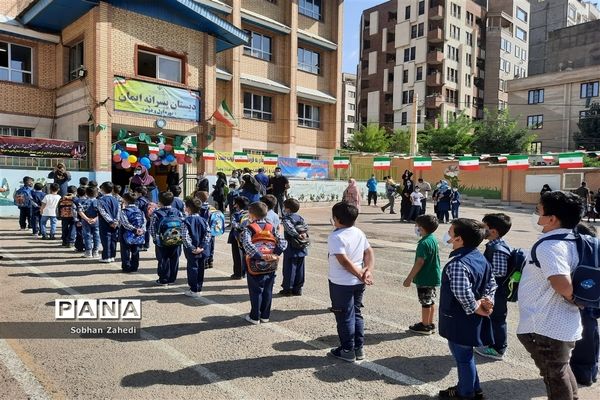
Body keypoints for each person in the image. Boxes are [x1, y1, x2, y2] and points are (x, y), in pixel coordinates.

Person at [517, 191, 584, 400]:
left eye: (539, 210)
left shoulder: (550, 246)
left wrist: (576, 300)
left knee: (554, 373)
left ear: (552, 219)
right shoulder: (573, 240)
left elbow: (563, 284)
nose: (536, 214)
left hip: (547, 325)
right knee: (561, 369)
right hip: (561, 323)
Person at [438, 218, 496, 400]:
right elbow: (491, 283)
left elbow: (462, 292)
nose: (447, 235)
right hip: (471, 318)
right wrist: (487, 301)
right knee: (466, 357)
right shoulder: (480, 257)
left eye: (450, 232)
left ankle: (465, 393)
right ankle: (473, 387)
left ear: (459, 239)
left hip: (459, 319)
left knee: (463, 357)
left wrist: (476, 307)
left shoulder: (457, 264)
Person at [327, 202, 375, 362]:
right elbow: (369, 252)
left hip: (341, 283)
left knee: (344, 316)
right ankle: (358, 348)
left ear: (337, 219)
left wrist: (362, 273)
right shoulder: (358, 232)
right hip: (358, 282)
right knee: (356, 313)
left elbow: (344, 261)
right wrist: (367, 271)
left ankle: (347, 349)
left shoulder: (336, 236)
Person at [240, 201, 287, 324]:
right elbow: (282, 242)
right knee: (268, 290)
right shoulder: (271, 227)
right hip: (271, 263)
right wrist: (274, 254)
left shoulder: (249, 228)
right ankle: (265, 316)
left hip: (255, 264)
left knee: (256, 291)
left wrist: (260, 256)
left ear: (251, 215)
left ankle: (255, 316)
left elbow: (247, 244)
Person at [475, 213, 512, 360]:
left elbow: (500, 271)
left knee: (498, 319)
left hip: (497, 292)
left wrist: (481, 270)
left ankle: (498, 349)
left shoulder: (497, 249)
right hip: (492, 290)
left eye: (484, 227)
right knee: (491, 318)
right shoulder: (493, 245)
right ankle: (491, 343)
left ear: (494, 231)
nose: (482, 230)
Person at [570, 222, 600, 387]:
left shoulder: (578, 250)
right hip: (592, 302)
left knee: (584, 337)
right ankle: (590, 371)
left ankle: (584, 374)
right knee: (591, 336)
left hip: (581, 302)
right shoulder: (595, 250)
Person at [403, 215, 441, 335]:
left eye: (417, 225)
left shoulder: (423, 243)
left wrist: (409, 278)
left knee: (425, 302)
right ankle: (429, 323)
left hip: (425, 277)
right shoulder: (432, 239)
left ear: (422, 228)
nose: (415, 227)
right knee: (430, 300)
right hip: (432, 276)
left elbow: (420, 262)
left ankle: (425, 326)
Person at [149, 191, 184, 285]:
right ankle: (172, 278)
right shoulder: (178, 212)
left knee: (163, 259)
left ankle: (163, 279)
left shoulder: (156, 213)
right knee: (174, 259)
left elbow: (152, 228)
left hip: (162, 241)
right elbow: (183, 225)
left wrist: (155, 239)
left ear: (159, 201)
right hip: (176, 240)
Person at [182, 198, 211, 297]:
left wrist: (192, 248)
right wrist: (202, 246)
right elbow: (208, 234)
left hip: (192, 251)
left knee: (192, 269)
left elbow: (185, 236)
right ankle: (199, 288)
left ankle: (193, 289)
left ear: (189, 209)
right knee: (201, 269)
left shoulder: (186, 221)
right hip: (202, 250)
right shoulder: (204, 220)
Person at [280, 198, 309, 296]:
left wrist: (297, 234)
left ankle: (288, 289)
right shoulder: (300, 218)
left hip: (291, 246)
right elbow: (306, 227)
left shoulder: (286, 219)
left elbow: (289, 229)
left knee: (289, 268)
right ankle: (298, 289)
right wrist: (302, 233)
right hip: (301, 245)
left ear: (287, 209)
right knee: (300, 268)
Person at [119, 193, 146, 273]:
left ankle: (126, 267)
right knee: (135, 251)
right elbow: (144, 221)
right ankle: (134, 267)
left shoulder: (124, 211)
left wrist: (134, 229)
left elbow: (125, 223)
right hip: (138, 234)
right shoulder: (140, 211)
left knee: (125, 251)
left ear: (125, 200)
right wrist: (141, 230)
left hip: (126, 234)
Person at [96, 182, 121, 263]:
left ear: (102, 189)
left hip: (105, 223)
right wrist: (116, 221)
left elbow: (103, 213)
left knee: (106, 239)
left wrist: (110, 221)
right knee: (113, 239)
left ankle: (106, 256)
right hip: (115, 223)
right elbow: (119, 211)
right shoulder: (116, 199)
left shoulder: (100, 200)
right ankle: (112, 256)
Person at [228, 196, 249, 280]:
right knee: (245, 254)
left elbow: (234, 224)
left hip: (237, 236)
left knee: (237, 255)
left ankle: (238, 273)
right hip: (246, 236)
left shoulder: (235, 214)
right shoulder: (248, 214)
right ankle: (245, 272)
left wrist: (240, 227)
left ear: (237, 204)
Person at [78, 187, 100, 258]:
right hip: (96, 221)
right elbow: (101, 213)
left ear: (86, 193)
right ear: (97, 194)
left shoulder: (82, 201)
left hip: (85, 221)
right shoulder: (98, 201)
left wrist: (87, 219)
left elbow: (80, 211)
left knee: (87, 236)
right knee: (96, 235)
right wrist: (95, 219)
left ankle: (88, 251)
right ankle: (96, 251)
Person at [133, 186, 152, 251]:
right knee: (147, 231)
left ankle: (141, 245)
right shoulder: (147, 199)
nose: (134, 193)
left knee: (141, 231)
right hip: (148, 217)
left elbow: (136, 210)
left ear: (140, 193)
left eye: (135, 192)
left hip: (142, 219)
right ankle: (146, 245)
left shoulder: (138, 201)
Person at [72, 187, 86, 252]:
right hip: (87, 220)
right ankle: (87, 247)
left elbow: (74, 211)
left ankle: (79, 247)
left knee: (79, 234)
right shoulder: (88, 200)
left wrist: (76, 220)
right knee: (88, 234)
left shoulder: (75, 201)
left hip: (79, 220)